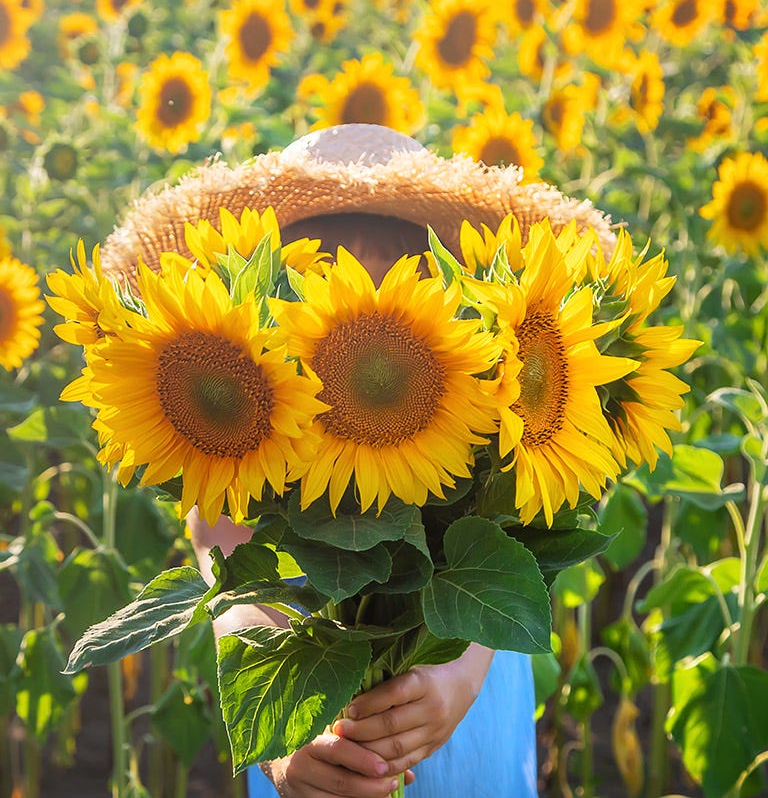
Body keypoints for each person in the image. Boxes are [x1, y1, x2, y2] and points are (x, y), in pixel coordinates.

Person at [101, 123, 617, 797]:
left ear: (449, 295)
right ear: (269, 301)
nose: (359, 304)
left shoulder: (485, 399)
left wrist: (461, 671)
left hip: (464, 708)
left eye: (396, 292)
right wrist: (285, 735)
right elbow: (228, 565)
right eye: (322, 289)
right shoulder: (246, 420)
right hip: (314, 733)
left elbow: (501, 558)